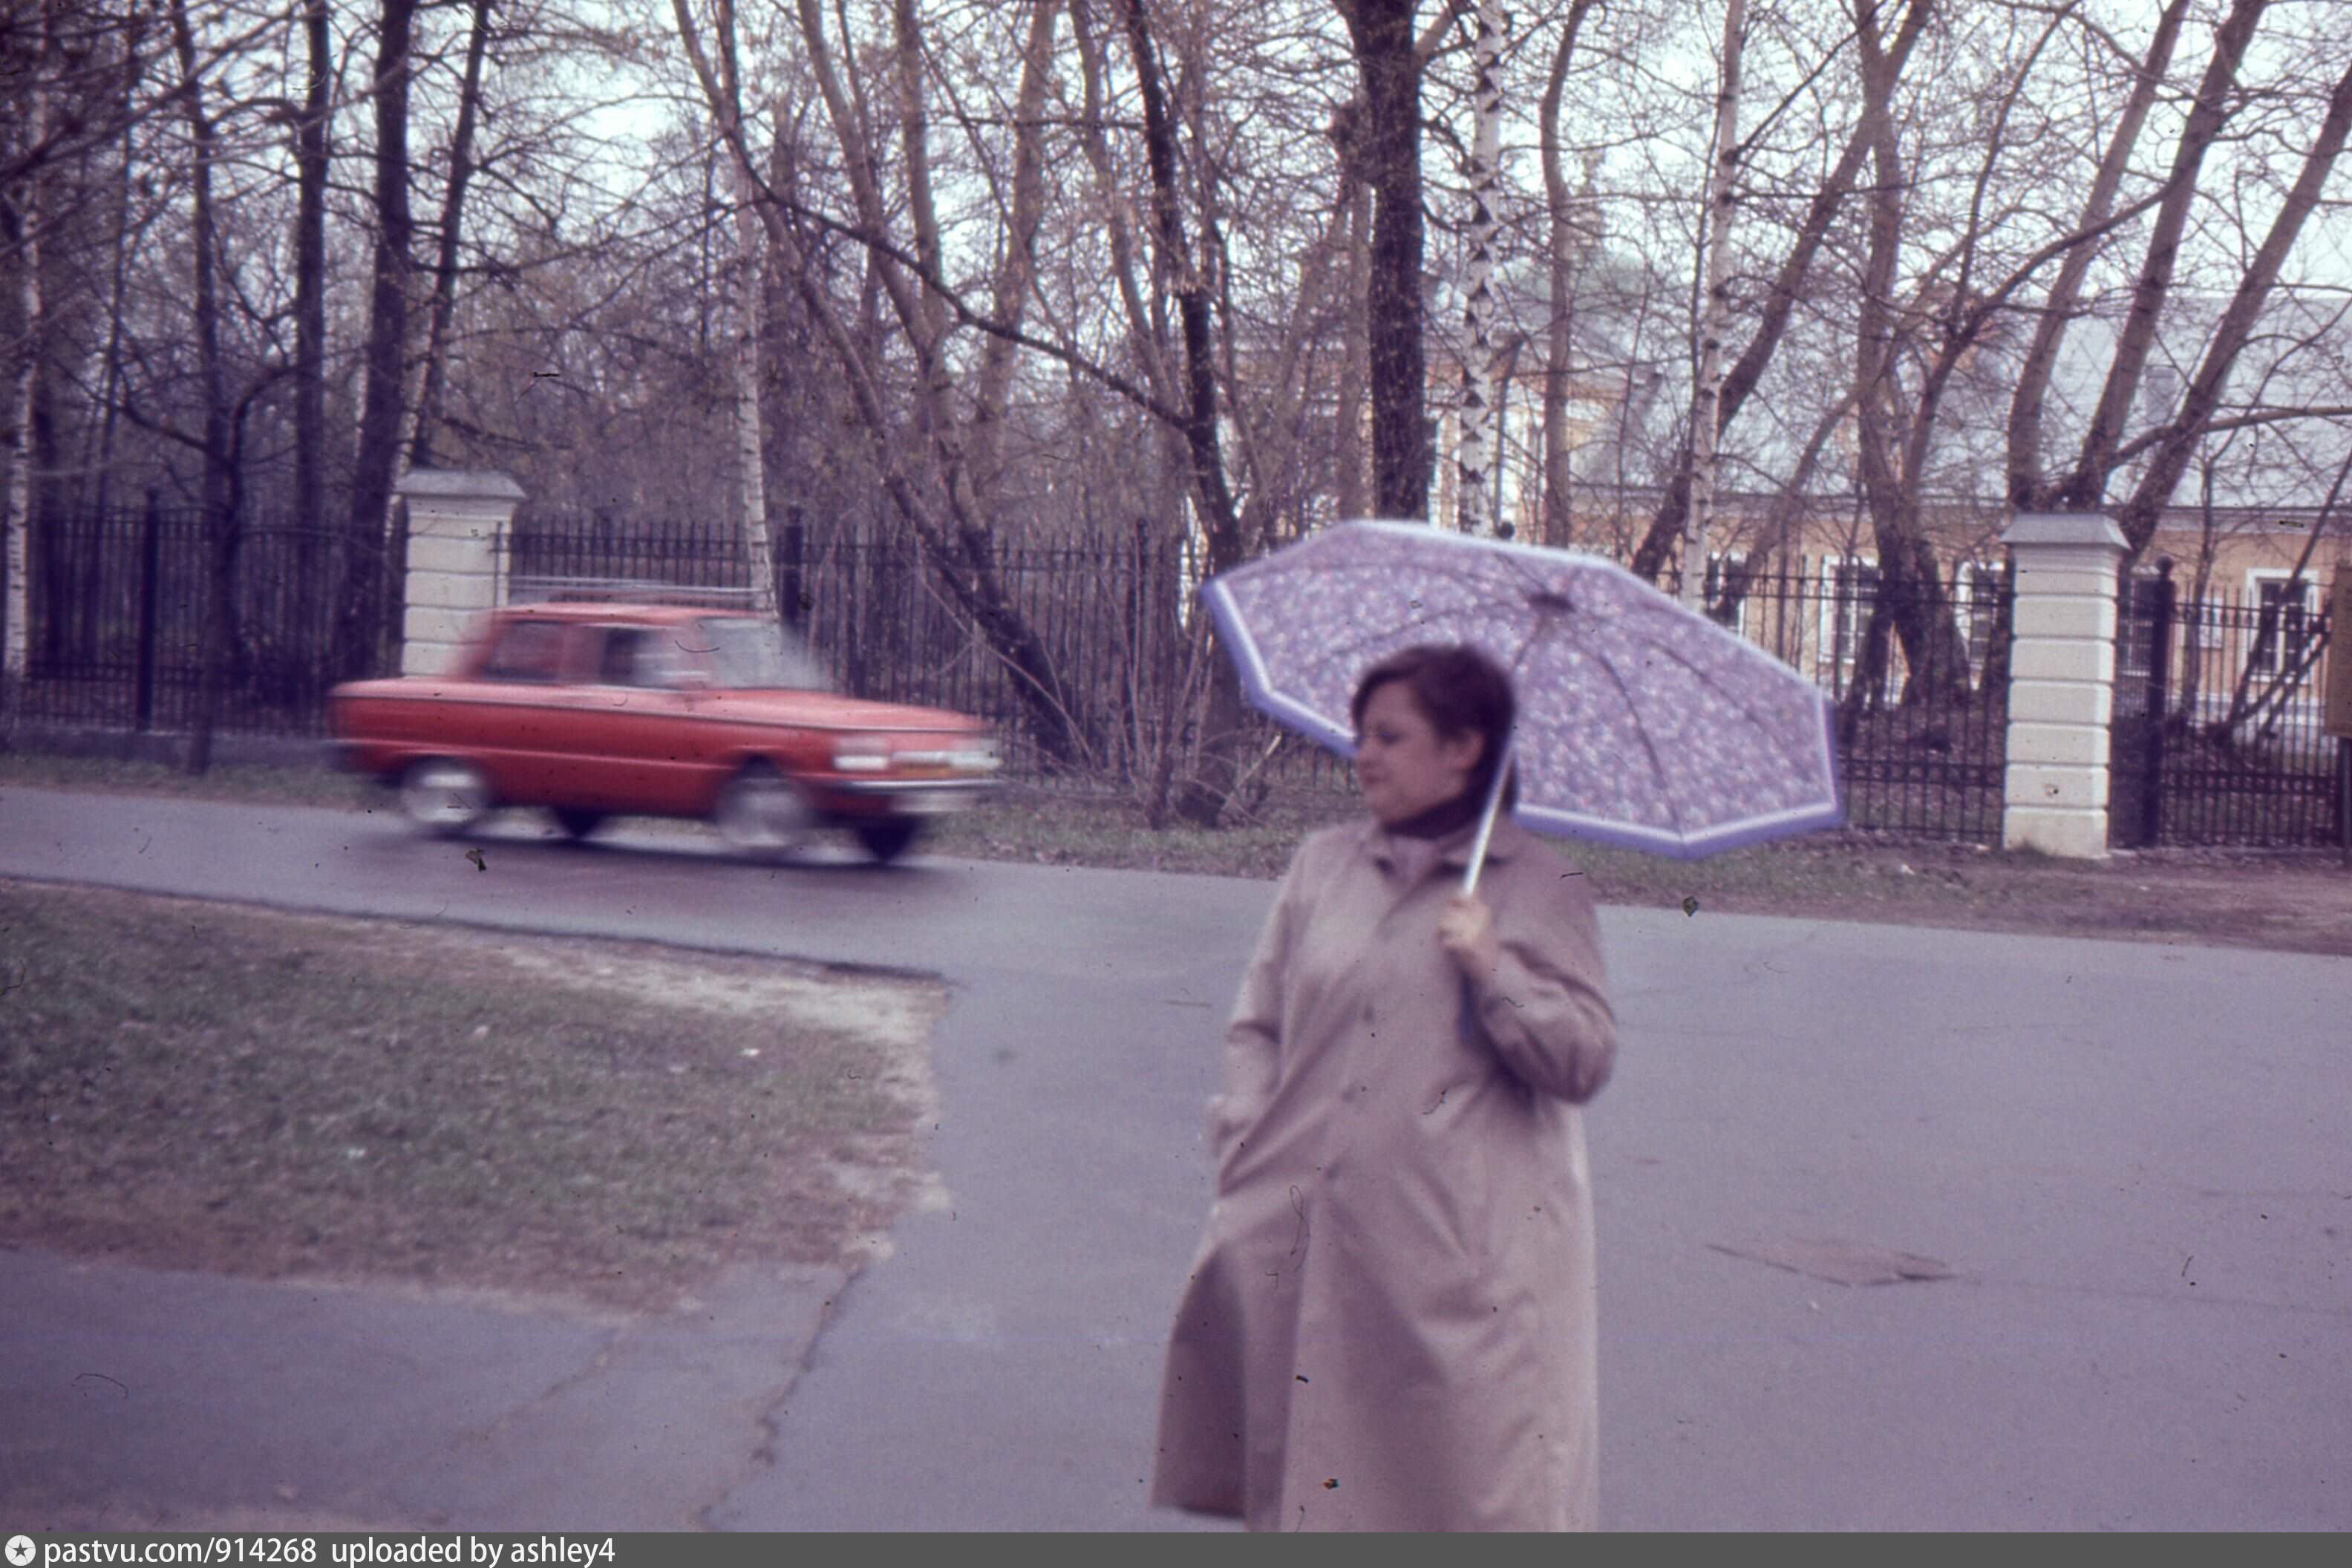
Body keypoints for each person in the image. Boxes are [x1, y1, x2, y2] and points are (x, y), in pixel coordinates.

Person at [1149, 643, 1618, 1532]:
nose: (1362, 755)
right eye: (1360, 734)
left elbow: (1583, 1058)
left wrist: (1494, 966)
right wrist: (1245, 1138)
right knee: (1310, 1472)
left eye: (1389, 737)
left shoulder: (1542, 886)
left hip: (1455, 1260)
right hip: (1306, 1232)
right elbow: (1258, 1023)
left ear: (1464, 748)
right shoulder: (1323, 866)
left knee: (1455, 1489)